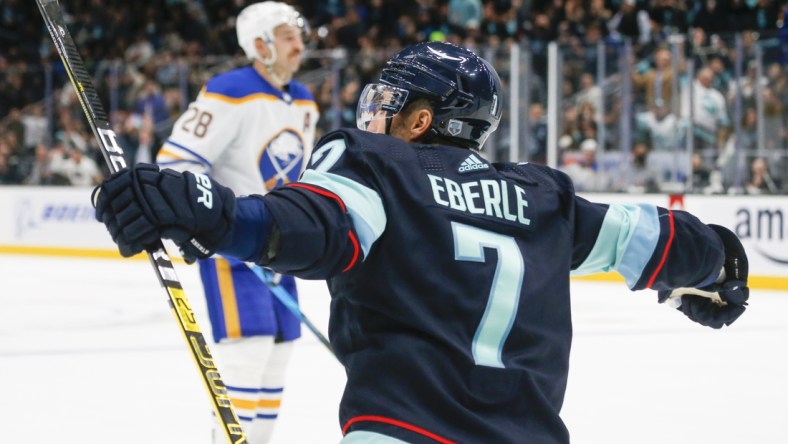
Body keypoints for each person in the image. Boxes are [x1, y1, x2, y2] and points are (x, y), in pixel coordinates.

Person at [93, 41, 750, 443]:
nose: (374, 115)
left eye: (391, 103)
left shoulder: (377, 167)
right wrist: (722, 263)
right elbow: (654, 237)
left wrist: (210, 213)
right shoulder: (543, 199)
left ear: (422, 118)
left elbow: (311, 230)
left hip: (403, 432)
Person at [153, 2, 319, 443]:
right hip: (234, 242)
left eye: (299, 35)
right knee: (250, 351)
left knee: (280, 352)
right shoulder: (231, 89)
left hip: (284, 242)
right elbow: (176, 161)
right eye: (287, 36)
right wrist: (204, 219)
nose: (298, 44)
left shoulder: (303, 98)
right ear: (260, 44)